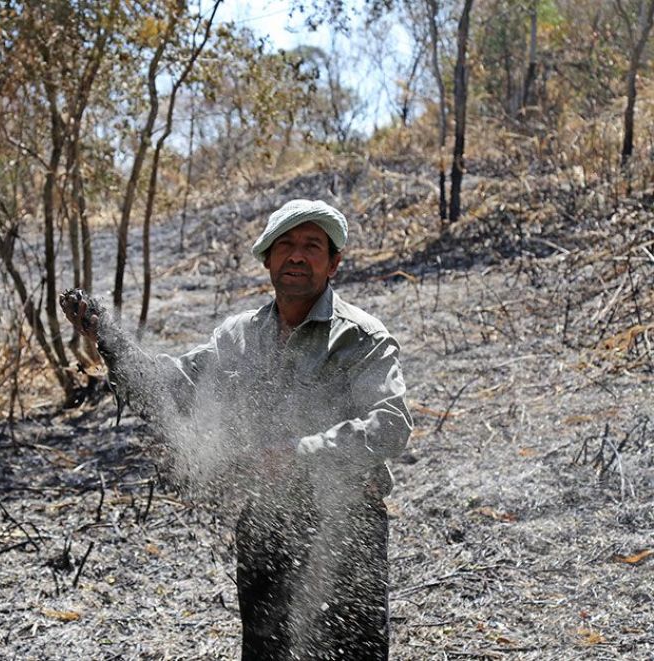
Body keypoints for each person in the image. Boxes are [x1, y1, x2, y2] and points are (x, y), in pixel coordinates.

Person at [61, 199, 412, 660]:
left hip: (345, 525)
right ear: (267, 257)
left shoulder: (360, 337)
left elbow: (391, 425)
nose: (297, 255)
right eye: (285, 245)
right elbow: (169, 389)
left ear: (334, 264)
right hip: (266, 525)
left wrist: (299, 452)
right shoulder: (239, 336)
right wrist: (108, 337)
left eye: (312, 246)